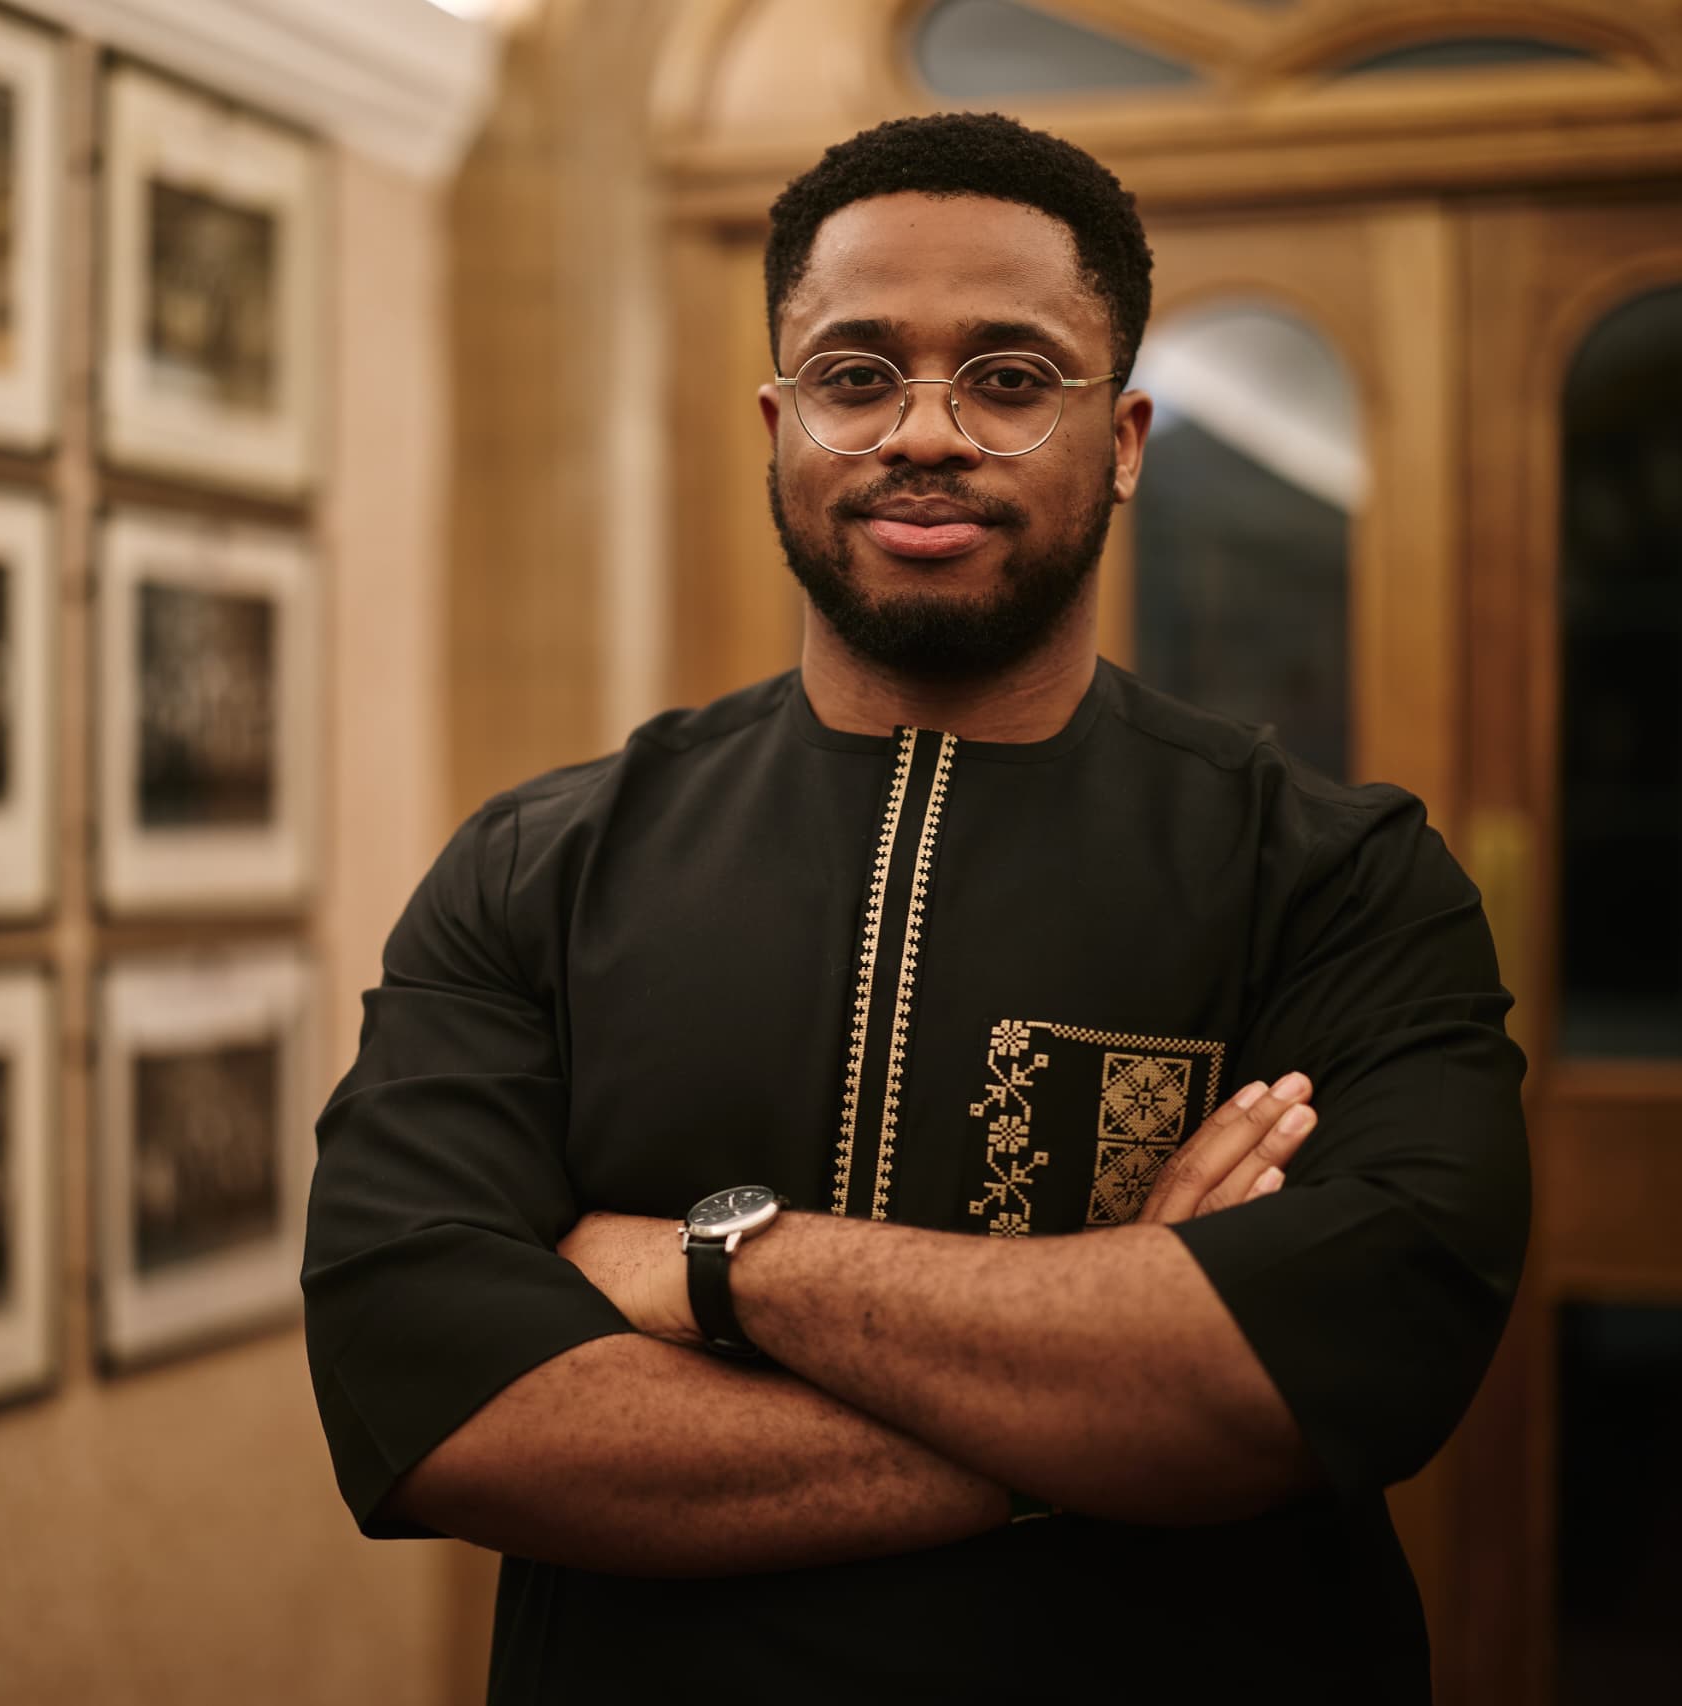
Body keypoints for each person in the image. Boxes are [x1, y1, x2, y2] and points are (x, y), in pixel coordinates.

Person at [302, 113, 1528, 1703]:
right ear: (778, 422)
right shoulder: (538, 866)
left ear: (1131, 436)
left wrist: (714, 1265)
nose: (925, 430)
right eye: (856, 373)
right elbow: (444, 1408)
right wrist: (1081, 1412)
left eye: (1012, 379)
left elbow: (1319, 1373)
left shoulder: (1341, 879)